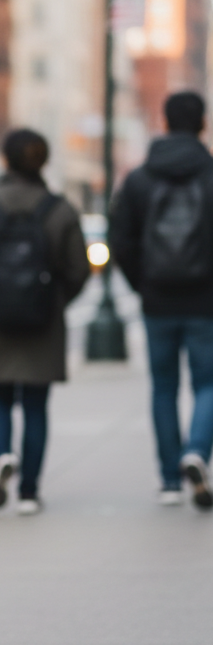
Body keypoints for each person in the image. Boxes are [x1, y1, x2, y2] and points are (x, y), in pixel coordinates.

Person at [0, 130, 89, 514]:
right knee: (35, 404)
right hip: (43, 321)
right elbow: (78, 269)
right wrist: (55, 301)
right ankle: (29, 492)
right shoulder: (60, 209)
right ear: (43, 162)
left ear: (6, 161)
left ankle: (1, 457)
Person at [109, 91, 213, 510]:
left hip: (157, 301)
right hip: (206, 301)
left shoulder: (139, 179)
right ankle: (197, 451)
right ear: (202, 124)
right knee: (208, 383)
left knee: (164, 387)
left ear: (166, 123)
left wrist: (143, 284)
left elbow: (121, 240)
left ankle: (170, 479)